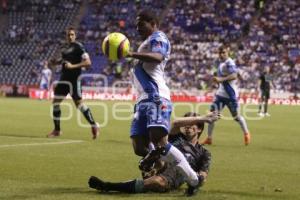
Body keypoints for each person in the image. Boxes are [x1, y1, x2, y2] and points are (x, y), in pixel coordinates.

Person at [125, 10, 202, 194]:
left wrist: (131, 53)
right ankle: (158, 162)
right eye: (136, 25)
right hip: (142, 99)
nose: (137, 28)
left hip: (156, 96)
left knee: (159, 142)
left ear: (152, 23)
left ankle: (193, 178)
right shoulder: (145, 42)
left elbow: (158, 57)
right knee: (139, 146)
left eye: (141, 24)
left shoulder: (159, 37)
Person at [88, 112, 219, 196]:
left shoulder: (204, 153)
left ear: (200, 128)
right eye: (187, 123)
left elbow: (203, 175)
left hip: (177, 175)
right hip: (161, 165)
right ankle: (150, 167)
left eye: (192, 124)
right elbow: (174, 123)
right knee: (158, 148)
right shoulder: (175, 137)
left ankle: (108, 186)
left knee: (156, 182)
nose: (188, 126)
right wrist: (202, 117)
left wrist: (196, 182)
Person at [47, 27, 99, 139]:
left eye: (72, 35)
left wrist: (73, 66)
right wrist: (55, 62)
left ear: (75, 36)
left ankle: (93, 124)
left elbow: (88, 62)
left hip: (75, 79)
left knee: (79, 104)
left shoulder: (79, 47)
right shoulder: (64, 48)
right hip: (63, 79)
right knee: (55, 103)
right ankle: (57, 130)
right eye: (68, 35)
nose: (70, 37)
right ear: (66, 36)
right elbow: (64, 61)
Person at [202, 46, 251, 146]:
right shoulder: (220, 63)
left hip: (230, 95)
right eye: (220, 53)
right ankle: (209, 138)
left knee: (236, 117)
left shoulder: (230, 62)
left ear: (228, 53)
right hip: (220, 95)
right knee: (212, 115)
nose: (221, 54)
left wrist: (221, 80)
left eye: (223, 52)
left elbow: (234, 75)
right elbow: (217, 78)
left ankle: (246, 133)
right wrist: (211, 88)